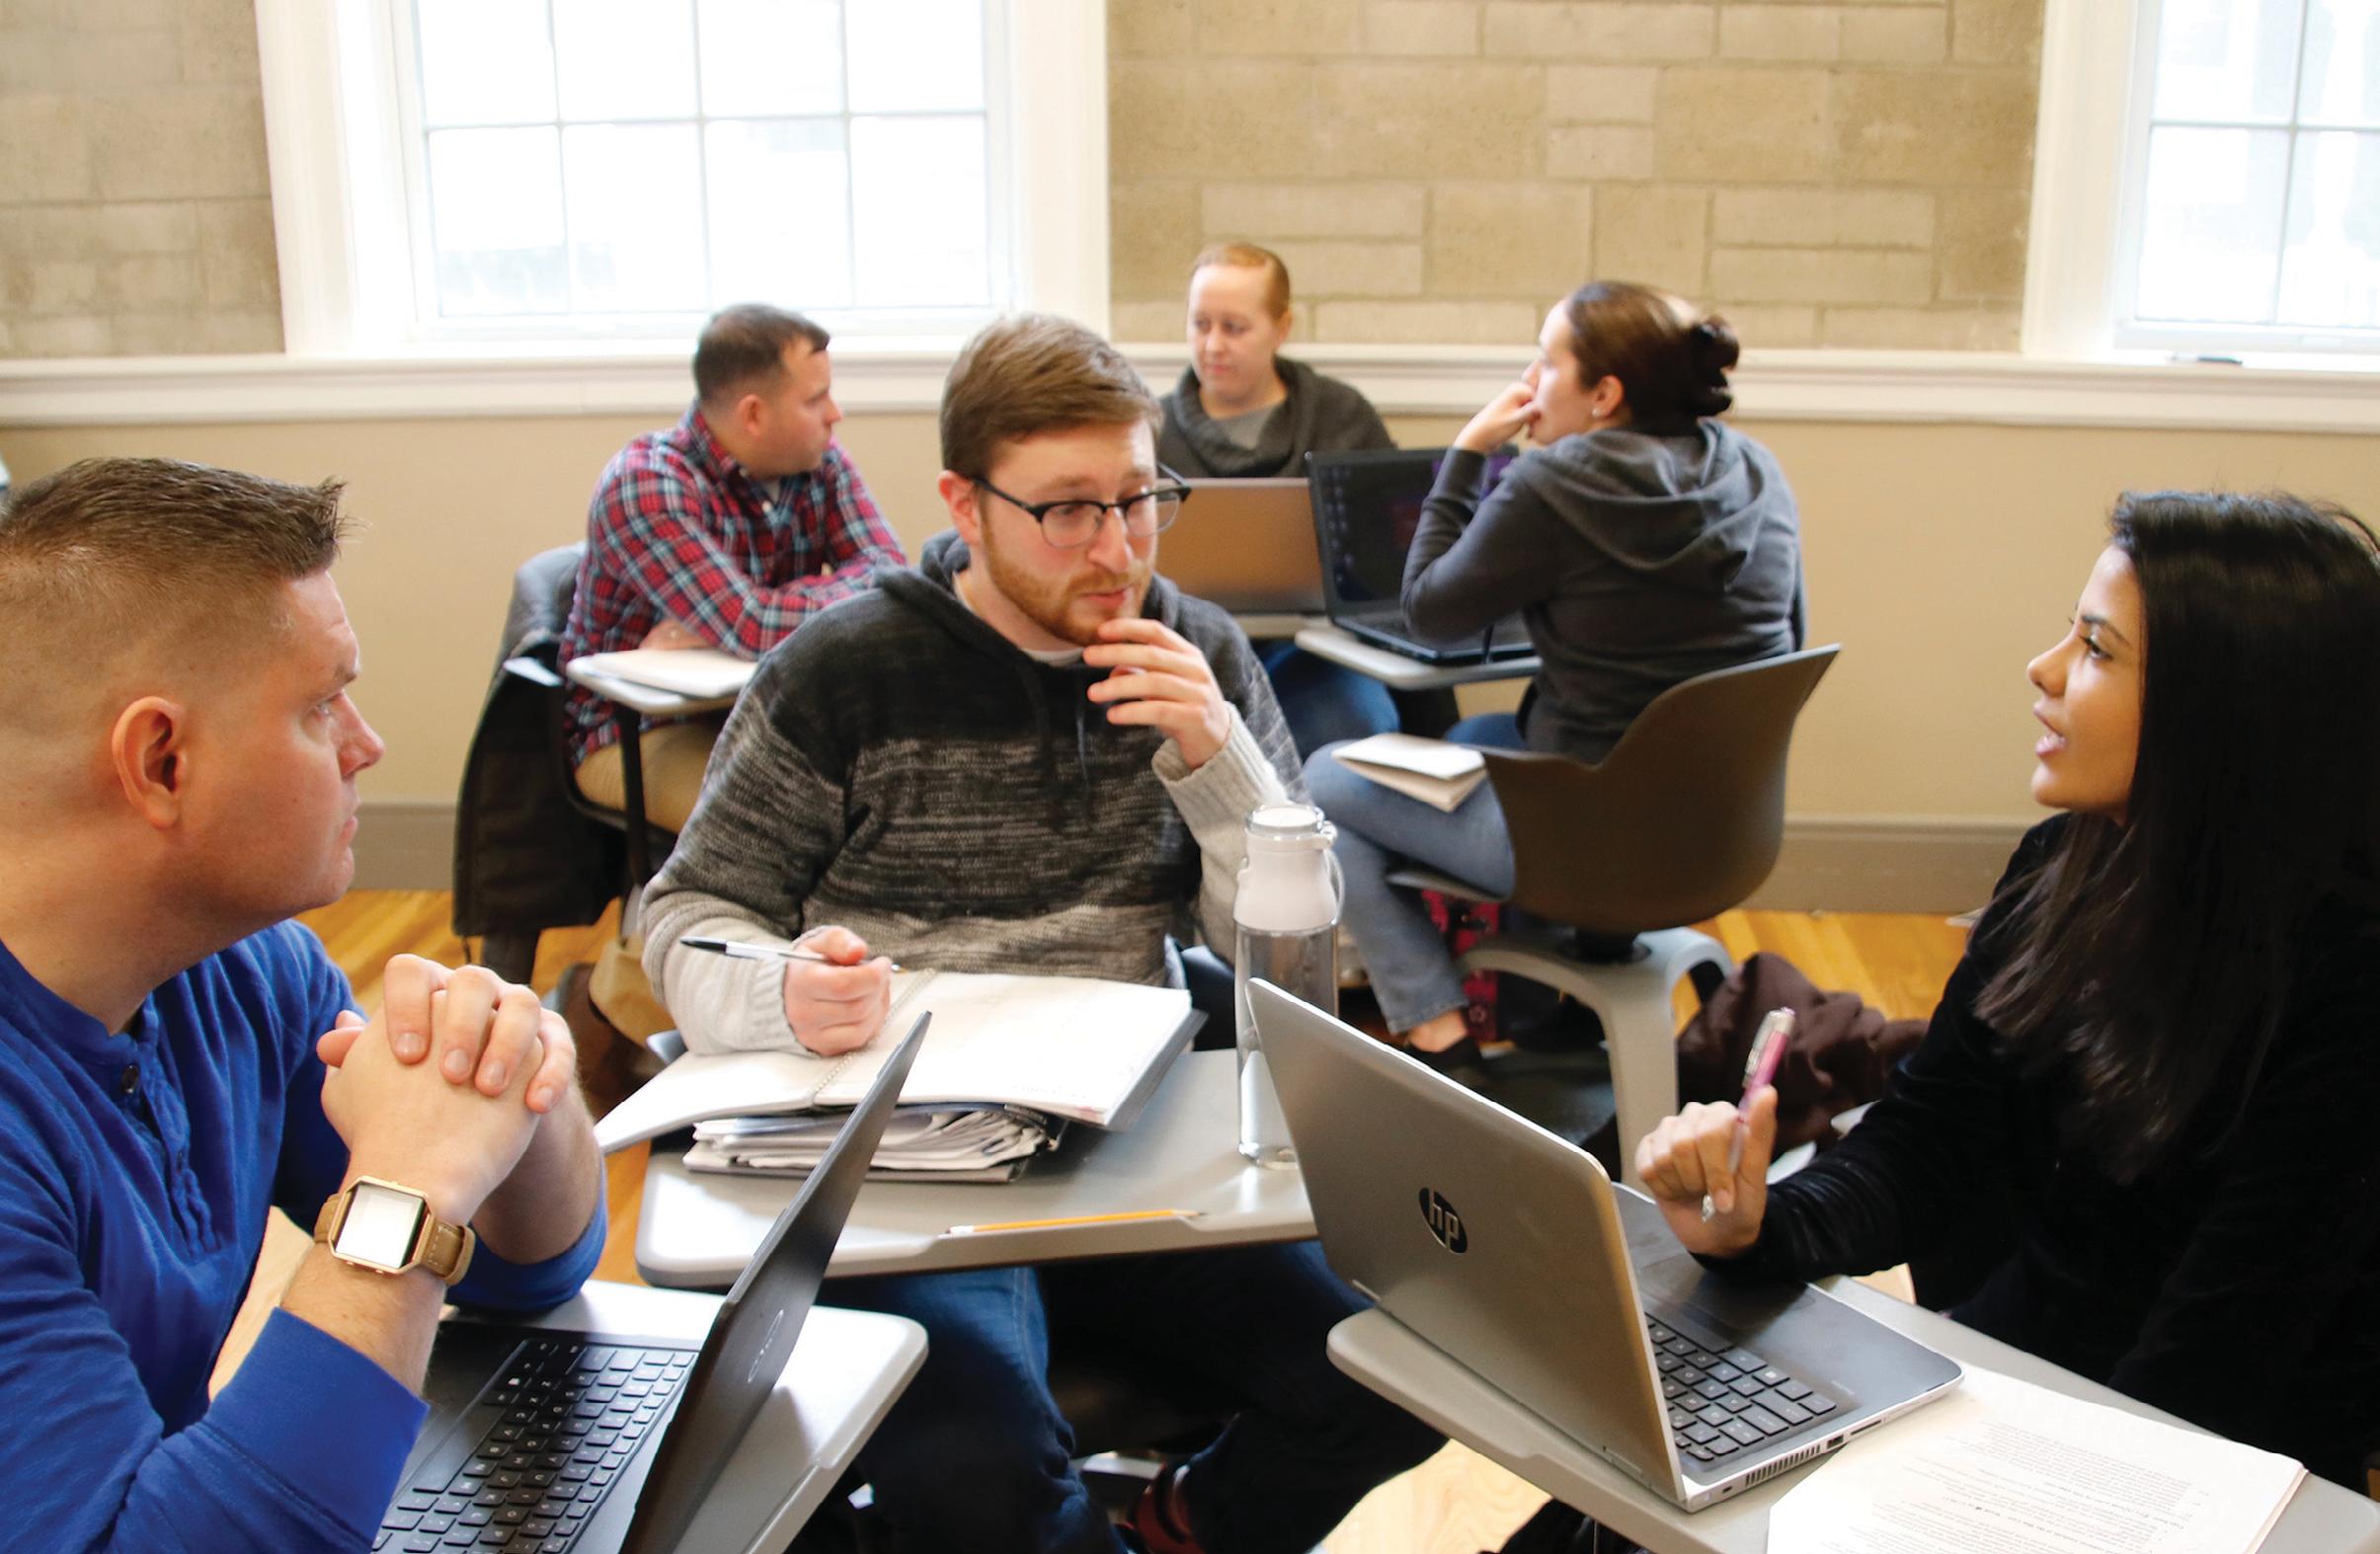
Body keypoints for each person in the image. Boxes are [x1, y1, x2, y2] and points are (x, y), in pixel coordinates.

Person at [641, 314, 1441, 1553]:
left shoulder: (1197, 650)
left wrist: (1217, 758)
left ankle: (1182, 1523)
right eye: (1067, 509)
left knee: (1404, 1367)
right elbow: (684, 914)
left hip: (1132, 1150)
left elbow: (1290, 961)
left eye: (1139, 499)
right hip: (913, 1168)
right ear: (966, 503)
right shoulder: (843, 670)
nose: (1116, 548)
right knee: (983, 1477)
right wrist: (780, 987)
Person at [1632, 491, 2380, 1492]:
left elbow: (2215, 1370)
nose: (2044, 667)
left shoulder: (2345, 980)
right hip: (2022, 1375)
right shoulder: (2063, 868)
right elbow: (1922, 1148)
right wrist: (1756, 1223)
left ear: (2225, 710)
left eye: (2098, 649)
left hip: (2206, 1466)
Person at [0, 458, 605, 1550]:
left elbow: (527, 1269)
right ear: (161, 760)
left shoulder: (242, 968)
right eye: (322, 703)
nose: (366, 744)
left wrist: (516, 1069)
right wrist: (407, 1187)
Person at [1307, 280, 1803, 1059]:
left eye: (1545, 362)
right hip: (1724, 828)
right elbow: (1787, 640)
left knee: (1322, 780)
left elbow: (1428, 611)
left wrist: (1468, 455)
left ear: (1604, 394)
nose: (1529, 381)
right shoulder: (1756, 468)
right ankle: (1554, 1008)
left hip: (1593, 843)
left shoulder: (1556, 482)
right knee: (1475, 735)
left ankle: (1436, 1025)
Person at [556, 303, 908, 1039]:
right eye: (815, 398)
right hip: (634, 736)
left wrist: (757, 609)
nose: (835, 414)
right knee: (801, 836)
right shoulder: (646, 483)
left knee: (875, 813)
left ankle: (806, 1010)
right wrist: (761, 613)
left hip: (762, 719)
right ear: (753, 413)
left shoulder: (818, 463)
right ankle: (616, 994)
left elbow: (890, 577)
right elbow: (753, 627)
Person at [1159, 242, 1408, 756]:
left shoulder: (1342, 416)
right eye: (1200, 324)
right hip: (1193, 657)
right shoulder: (1154, 433)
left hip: (1326, 657)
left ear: (1282, 327)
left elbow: (1397, 553)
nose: (1212, 345)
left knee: (1353, 717)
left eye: (1234, 327)